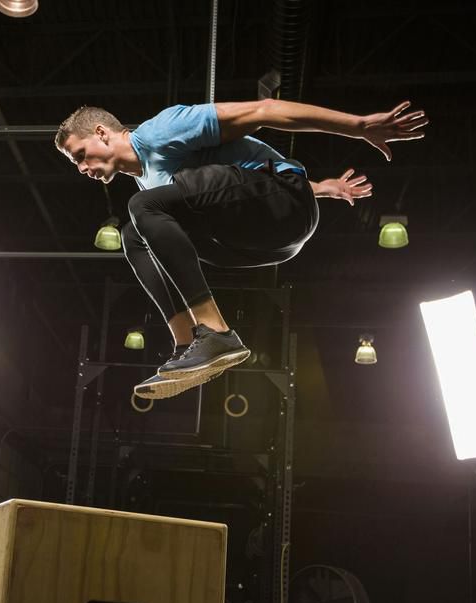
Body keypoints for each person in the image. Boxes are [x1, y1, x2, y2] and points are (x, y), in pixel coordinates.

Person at [55, 98, 428, 399]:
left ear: (102, 133)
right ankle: (187, 344)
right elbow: (229, 189)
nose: (81, 168)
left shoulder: (161, 130)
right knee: (134, 234)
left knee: (143, 209)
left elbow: (264, 111)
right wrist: (324, 188)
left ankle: (215, 331)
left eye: (80, 155)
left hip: (283, 203)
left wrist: (358, 126)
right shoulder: (150, 188)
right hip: (262, 239)